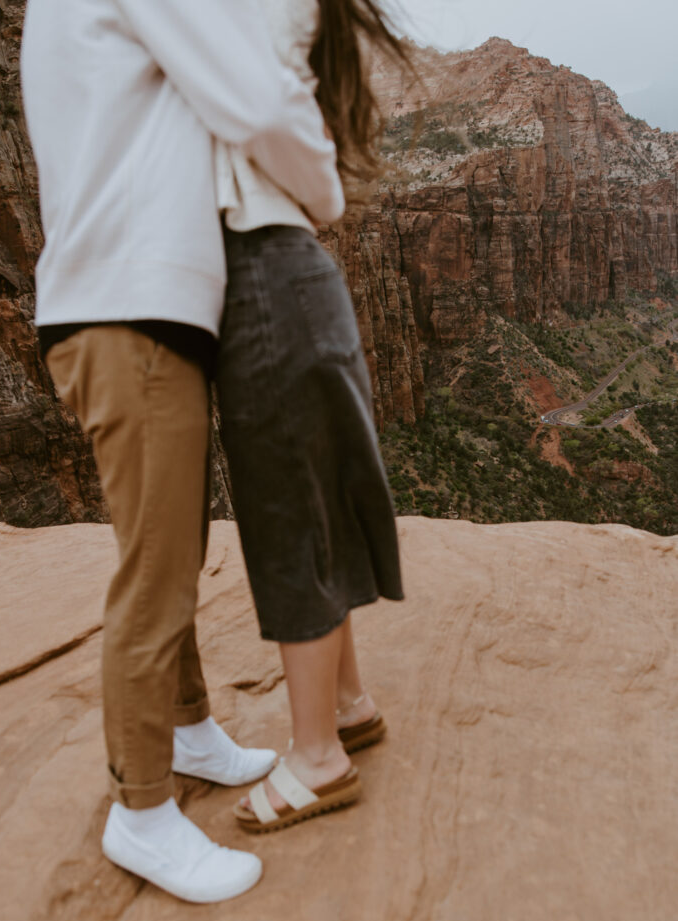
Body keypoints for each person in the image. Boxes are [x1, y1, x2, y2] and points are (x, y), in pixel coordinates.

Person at [20, 0, 345, 903]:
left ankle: (190, 728)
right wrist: (327, 195)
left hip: (124, 302)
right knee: (160, 568)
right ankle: (143, 811)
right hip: (129, 308)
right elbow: (256, 104)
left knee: (173, 543)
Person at [213, 0, 407, 833]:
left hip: (264, 277)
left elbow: (271, 123)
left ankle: (316, 756)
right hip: (287, 279)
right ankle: (349, 704)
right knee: (316, 500)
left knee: (289, 509)